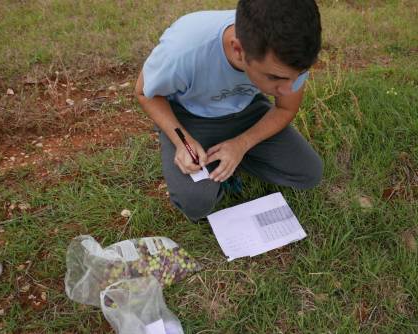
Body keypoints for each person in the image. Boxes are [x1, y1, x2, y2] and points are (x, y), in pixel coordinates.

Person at [135, 0, 323, 222]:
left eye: (297, 76)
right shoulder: (184, 50)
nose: (287, 89)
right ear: (238, 50)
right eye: (274, 78)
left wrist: (241, 144)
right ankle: (216, 166)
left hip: (247, 111)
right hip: (189, 117)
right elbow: (144, 93)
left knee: (308, 173)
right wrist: (182, 141)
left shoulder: (291, 52)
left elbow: (285, 108)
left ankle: (231, 158)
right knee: (196, 203)